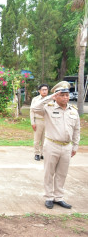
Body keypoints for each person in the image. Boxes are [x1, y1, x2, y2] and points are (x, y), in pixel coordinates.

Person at [32, 81, 80, 210]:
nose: (66, 97)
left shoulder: (73, 111)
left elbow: (76, 130)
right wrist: (49, 97)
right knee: (49, 172)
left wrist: (75, 146)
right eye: (62, 95)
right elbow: (35, 108)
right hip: (52, 145)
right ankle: (49, 197)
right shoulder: (48, 107)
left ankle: (58, 197)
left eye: (67, 95)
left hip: (66, 147)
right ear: (56, 96)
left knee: (62, 173)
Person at [30, 84, 49, 161]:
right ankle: (37, 153)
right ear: (39, 91)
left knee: (45, 139)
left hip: (47, 121)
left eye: (46, 89)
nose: (44, 91)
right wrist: (32, 122)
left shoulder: (50, 99)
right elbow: (31, 111)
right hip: (38, 121)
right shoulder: (35, 99)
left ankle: (43, 153)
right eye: (43, 90)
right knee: (37, 139)